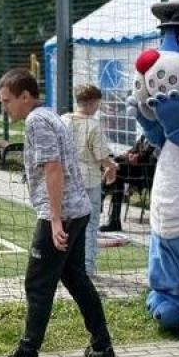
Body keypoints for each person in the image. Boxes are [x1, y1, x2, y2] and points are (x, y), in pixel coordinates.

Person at [0, 68, 116, 357]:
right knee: (75, 278)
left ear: (25, 97)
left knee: (37, 284)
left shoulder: (37, 121)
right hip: (78, 209)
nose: (4, 107)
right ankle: (102, 346)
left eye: (7, 101)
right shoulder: (50, 116)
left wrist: (56, 219)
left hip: (62, 214)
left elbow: (54, 169)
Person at [63, 83, 118, 277]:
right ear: (94, 102)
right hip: (88, 181)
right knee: (90, 226)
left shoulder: (63, 120)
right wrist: (112, 166)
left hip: (66, 181)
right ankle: (86, 269)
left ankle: (64, 267)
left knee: (67, 225)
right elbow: (101, 156)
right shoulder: (93, 125)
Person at [102, 135, 156, 232]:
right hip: (136, 169)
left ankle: (102, 195)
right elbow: (134, 149)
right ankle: (114, 221)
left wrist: (133, 156)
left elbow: (144, 156)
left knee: (116, 167)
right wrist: (129, 154)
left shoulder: (157, 133)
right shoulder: (145, 135)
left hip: (148, 174)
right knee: (116, 168)